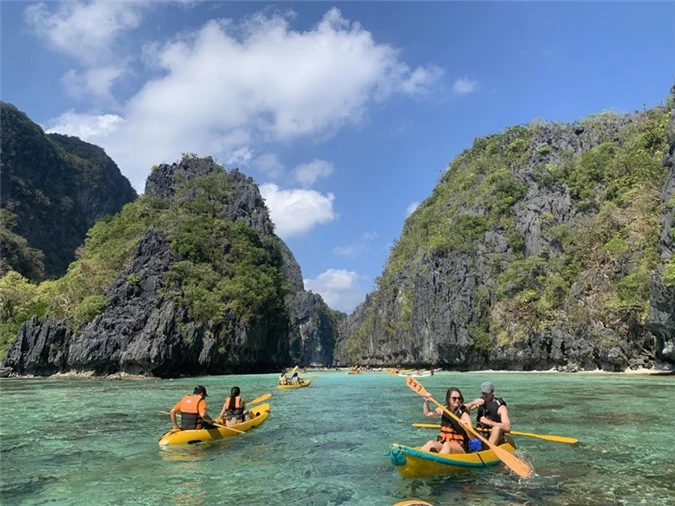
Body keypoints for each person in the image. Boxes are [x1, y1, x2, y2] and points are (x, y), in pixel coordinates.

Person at [420, 387, 473, 454]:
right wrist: (426, 401)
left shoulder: (464, 415)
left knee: (447, 445)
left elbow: (472, 437)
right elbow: (427, 413)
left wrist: (466, 429)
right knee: (431, 443)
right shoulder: (443, 409)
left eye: (459, 398)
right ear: (448, 399)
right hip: (444, 443)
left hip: (461, 447)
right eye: (454, 398)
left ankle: (436, 461)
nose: (457, 400)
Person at [465, 381, 511, 445]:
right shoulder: (480, 402)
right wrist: (472, 403)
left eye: (487, 393)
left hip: (495, 436)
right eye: (483, 393)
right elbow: (462, 409)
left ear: (493, 392)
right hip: (481, 433)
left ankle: (489, 449)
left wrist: (490, 422)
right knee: (465, 418)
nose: (485, 395)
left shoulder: (501, 407)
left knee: (496, 428)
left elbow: (507, 427)